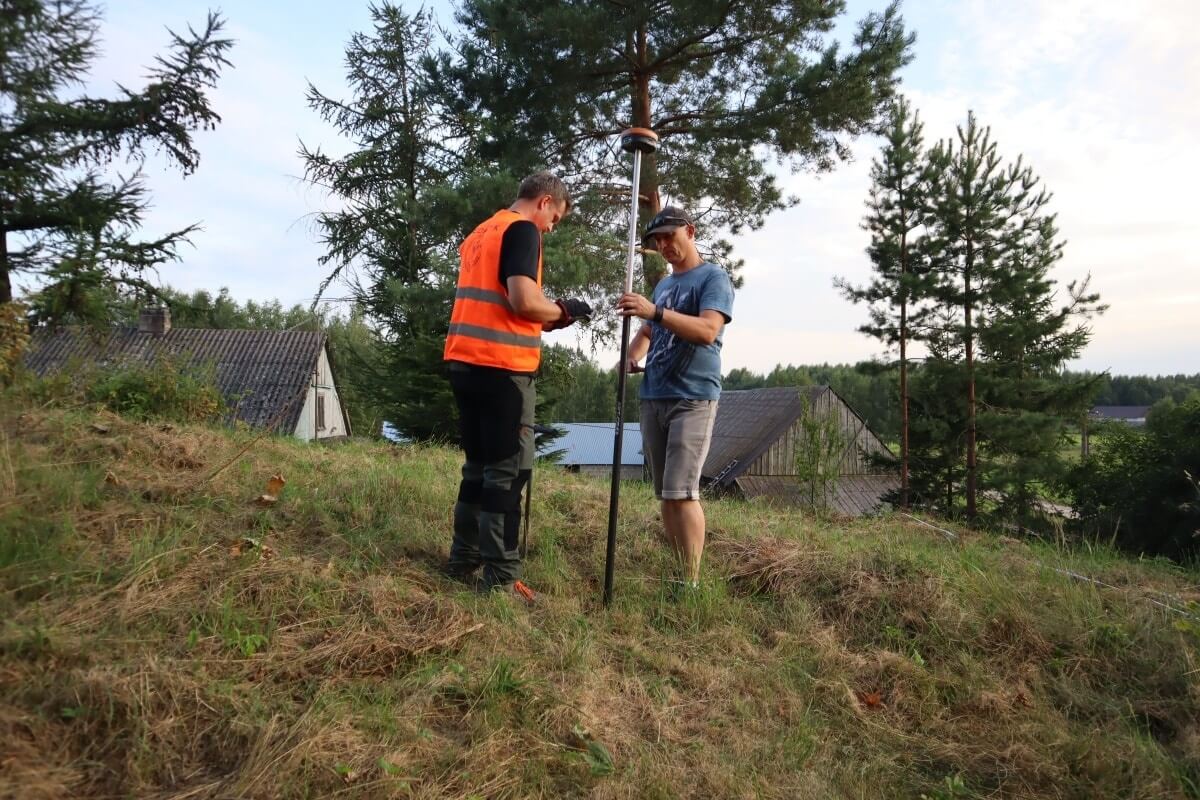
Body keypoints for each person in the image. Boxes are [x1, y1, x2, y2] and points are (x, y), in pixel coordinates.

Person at [443, 172, 591, 594]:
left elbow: (497, 303)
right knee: (508, 474)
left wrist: (550, 316)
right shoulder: (523, 229)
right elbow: (523, 300)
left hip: (465, 363)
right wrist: (563, 310)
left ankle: (463, 560)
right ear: (544, 202)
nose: (551, 228)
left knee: (477, 469)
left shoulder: (482, 232)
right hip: (503, 369)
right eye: (555, 218)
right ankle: (500, 579)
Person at [616, 206, 734, 588]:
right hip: (655, 395)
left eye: (670, 236)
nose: (665, 245)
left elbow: (707, 330)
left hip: (693, 396)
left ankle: (692, 581)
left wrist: (656, 312)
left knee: (683, 491)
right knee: (666, 494)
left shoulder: (714, 277)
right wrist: (631, 357)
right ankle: (678, 571)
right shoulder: (664, 286)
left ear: (690, 231)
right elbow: (649, 332)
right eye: (658, 241)